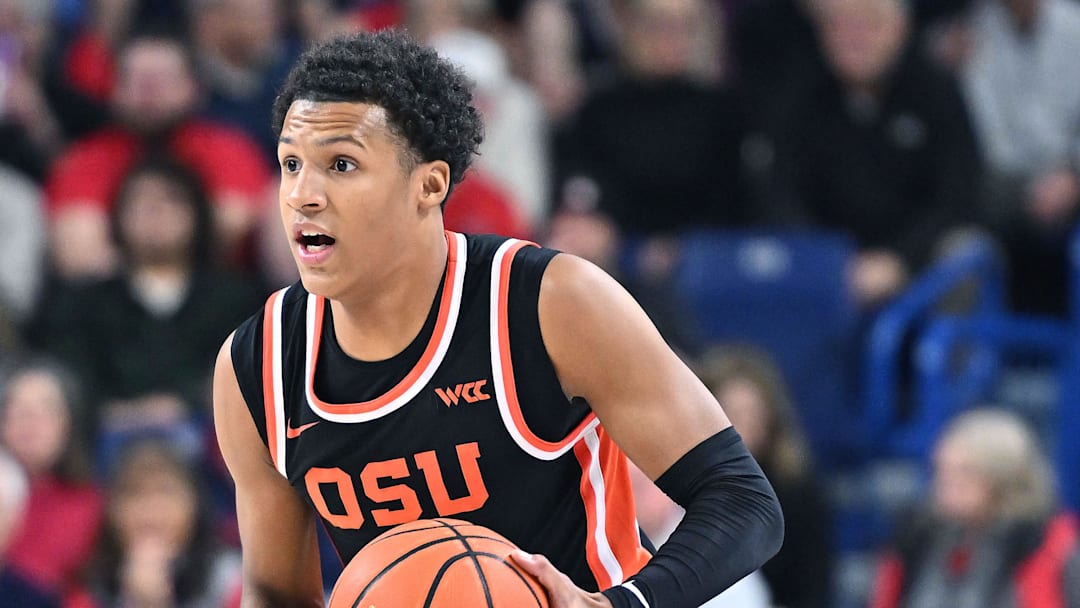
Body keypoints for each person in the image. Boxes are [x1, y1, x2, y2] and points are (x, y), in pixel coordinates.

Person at [213, 30, 783, 607]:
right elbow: (277, 593)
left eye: (340, 163)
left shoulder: (548, 302)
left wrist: (621, 604)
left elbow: (741, 500)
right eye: (290, 163)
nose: (302, 195)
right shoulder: (256, 367)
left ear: (429, 184)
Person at [31, 156, 264, 457]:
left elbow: (247, 372)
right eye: (139, 201)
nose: (154, 211)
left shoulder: (236, 297)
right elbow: (70, 372)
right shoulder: (83, 302)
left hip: (212, 440)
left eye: (171, 199)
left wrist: (184, 402)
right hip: (101, 437)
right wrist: (116, 411)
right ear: (117, 215)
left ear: (197, 212)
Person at [870, 408, 1080, 608]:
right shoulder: (916, 537)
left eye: (965, 472)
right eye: (942, 470)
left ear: (1004, 478)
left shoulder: (1053, 544)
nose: (947, 484)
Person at [698, 346, 834, 608]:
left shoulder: (797, 493)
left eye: (753, 415)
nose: (743, 428)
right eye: (732, 415)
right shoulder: (685, 492)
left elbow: (812, 587)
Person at [87, 439, 241, 608]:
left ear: (195, 503)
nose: (151, 509)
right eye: (134, 493)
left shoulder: (232, 581)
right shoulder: (88, 587)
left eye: (165, 491)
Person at [0, 360, 103, 605]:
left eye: (45, 409)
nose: (29, 421)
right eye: (17, 409)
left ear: (68, 424)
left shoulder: (89, 503)